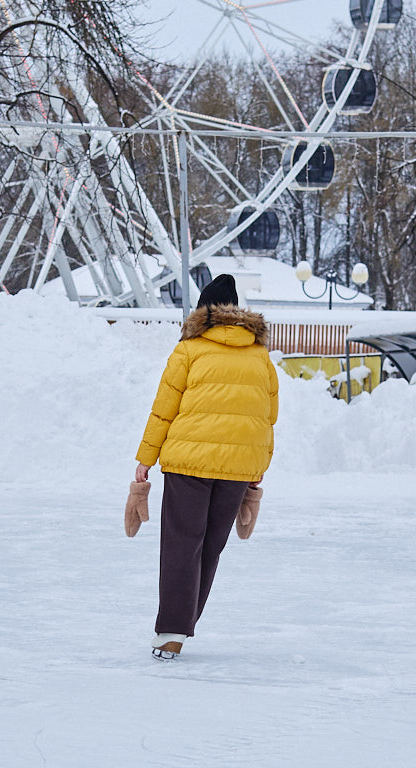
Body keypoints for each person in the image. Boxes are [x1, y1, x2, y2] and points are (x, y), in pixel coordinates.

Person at [134, 274, 278, 659]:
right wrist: (260, 464)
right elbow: (268, 415)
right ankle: (183, 624)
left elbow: (164, 407)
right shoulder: (260, 355)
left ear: (204, 311)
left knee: (183, 544)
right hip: (237, 467)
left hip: (189, 463)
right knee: (211, 546)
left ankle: (173, 631)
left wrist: (145, 459)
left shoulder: (189, 349)